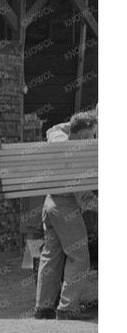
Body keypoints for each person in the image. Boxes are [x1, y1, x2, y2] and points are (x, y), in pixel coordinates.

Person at [35, 109, 98, 320]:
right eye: (92, 136)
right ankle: (67, 308)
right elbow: (85, 199)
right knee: (78, 257)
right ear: (81, 136)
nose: (94, 140)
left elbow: (54, 128)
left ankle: (43, 308)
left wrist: (73, 124)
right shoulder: (76, 156)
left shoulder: (57, 137)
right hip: (66, 208)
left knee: (50, 255)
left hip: (49, 203)